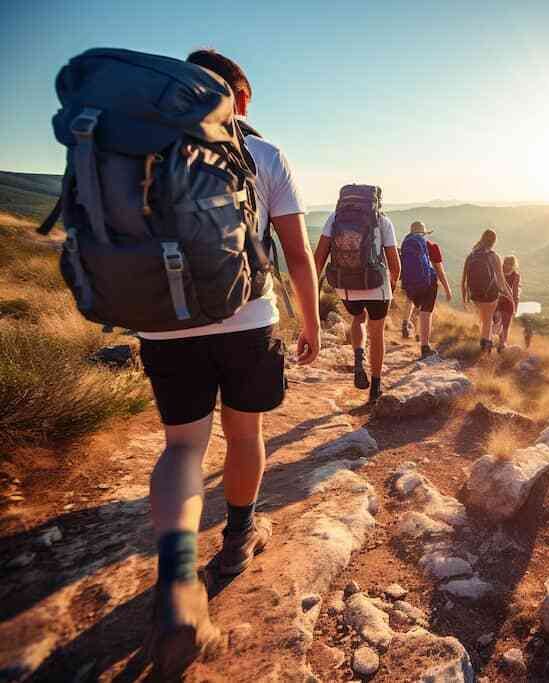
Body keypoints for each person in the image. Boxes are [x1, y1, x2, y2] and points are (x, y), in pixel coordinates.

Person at [140, 49, 321, 674]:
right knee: (244, 432)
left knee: (181, 449)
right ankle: (239, 539)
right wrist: (313, 322)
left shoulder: (147, 146)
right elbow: (297, 254)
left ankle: (175, 580)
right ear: (239, 98)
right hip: (246, 319)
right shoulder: (263, 154)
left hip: (163, 323)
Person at [313, 195, 400, 403]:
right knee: (377, 332)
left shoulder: (334, 218)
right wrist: (392, 287)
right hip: (376, 284)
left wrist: (313, 285)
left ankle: (359, 356)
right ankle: (375, 387)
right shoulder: (383, 220)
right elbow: (395, 265)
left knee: (358, 318)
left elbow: (318, 258)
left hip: (346, 285)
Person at [400, 221, 452, 358]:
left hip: (411, 284)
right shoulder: (431, 246)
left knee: (416, 307)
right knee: (426, 313)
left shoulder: (406, 244)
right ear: (424, 233)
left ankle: (409, 326)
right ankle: (424, 346)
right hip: (428, 284)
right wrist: (447, 289)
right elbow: (439, 271)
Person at [461, 228, 512, 353]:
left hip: (475, 296)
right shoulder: (494, 256)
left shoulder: (471, 255)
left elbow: (464, 280)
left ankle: (486, 341)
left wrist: (465, 298)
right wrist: (509, 297)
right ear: (494, 242)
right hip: (490, 296)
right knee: (488, 319)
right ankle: (485, 347)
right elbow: (501, 281)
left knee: (485, 319)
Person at [495, 255, 521, 352]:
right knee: (498, 322)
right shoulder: (499, 272)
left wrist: (515, 307)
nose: (508, 266)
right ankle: (499, 342)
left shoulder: (515, 276)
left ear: (514, 265)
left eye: (510, 264)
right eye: (506, 263)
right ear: (503, 263)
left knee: (505, 324)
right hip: (497, 302)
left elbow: (515, 293)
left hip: (507, 303)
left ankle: (502, 345)